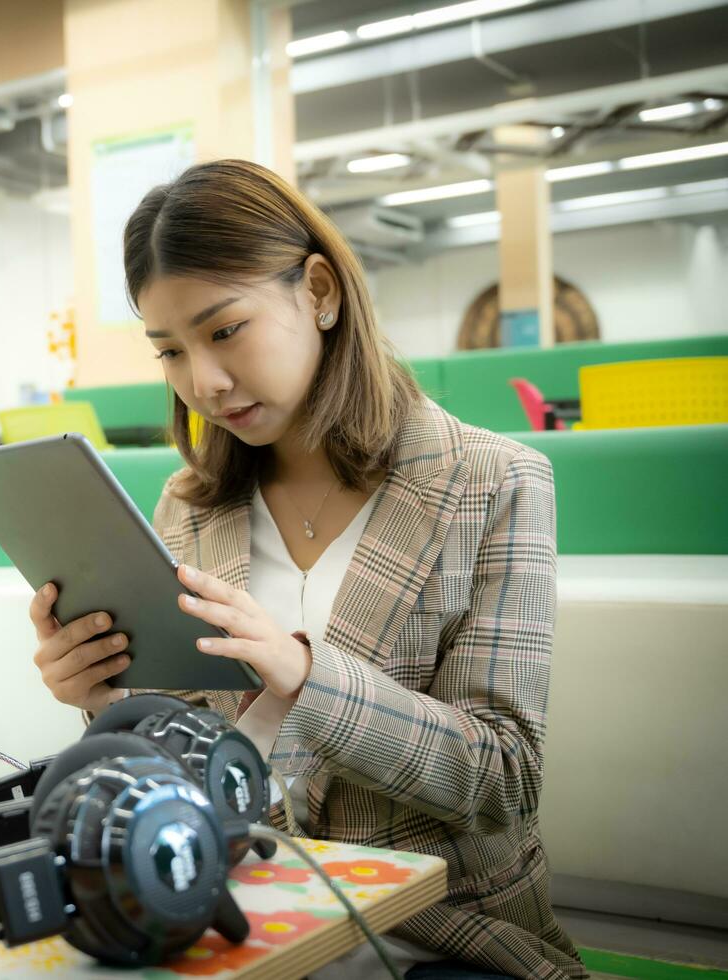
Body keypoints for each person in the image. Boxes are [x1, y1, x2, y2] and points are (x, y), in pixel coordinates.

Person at [29, 160, 584, 980]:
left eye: (224, 331)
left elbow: (503, 777)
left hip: (438, 935)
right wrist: (105, 701)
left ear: (319, 291)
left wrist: (304, 676)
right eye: (170, 352)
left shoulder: (492, 483)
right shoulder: (190, 505)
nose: (204, 382)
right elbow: (184, 762)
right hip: (234, 910)